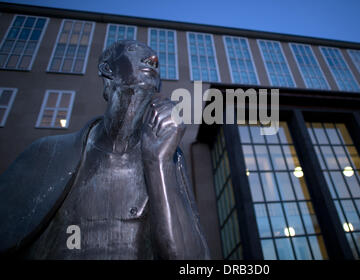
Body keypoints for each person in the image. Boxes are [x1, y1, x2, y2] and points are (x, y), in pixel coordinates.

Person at [0, 40, 210, 259]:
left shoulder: (170, 157)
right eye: (133, 52)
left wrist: (158, 163)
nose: (153, 61)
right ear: (107, 69)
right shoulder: (47, 154)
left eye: (155, 60)